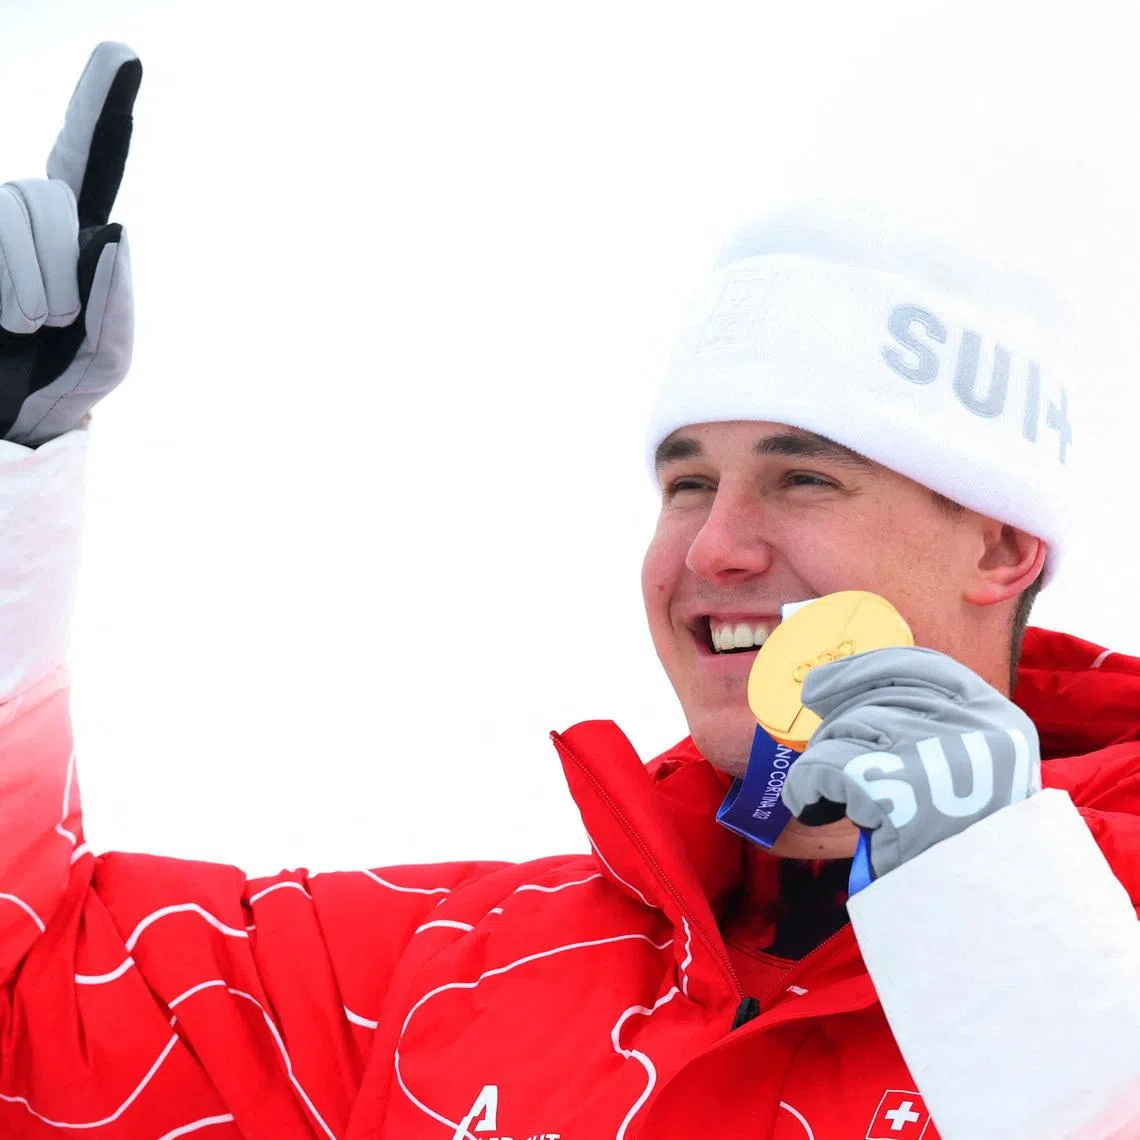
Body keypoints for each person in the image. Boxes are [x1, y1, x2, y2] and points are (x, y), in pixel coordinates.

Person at [1, 41, 1139, 1140]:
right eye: (686, 483)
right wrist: (13, 470)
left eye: (803, 478)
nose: (714, 550)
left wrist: (1003, 913)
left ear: (999, 546)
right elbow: (34, 1016)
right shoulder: (458, 973)